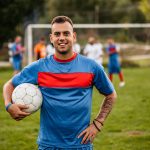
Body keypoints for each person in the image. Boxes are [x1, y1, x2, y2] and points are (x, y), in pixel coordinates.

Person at [3, 16, 117, 150]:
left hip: (80, 145)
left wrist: (98, 123)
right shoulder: (39, 67)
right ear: (51, 38)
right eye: (57, 34)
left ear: (74, 36)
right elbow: (9, 85)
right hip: (48, 145)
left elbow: (111, 95)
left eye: (66, 33)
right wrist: (8, 105)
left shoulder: (91, 67)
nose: (61, 38)